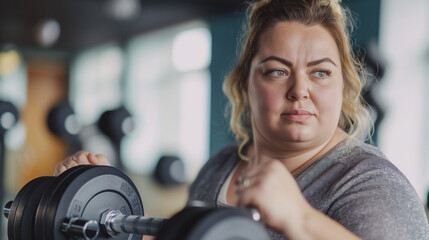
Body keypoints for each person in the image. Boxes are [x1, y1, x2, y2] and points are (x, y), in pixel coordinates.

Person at [55, 0, 429, 239]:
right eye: (277, 71)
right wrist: (106, 210)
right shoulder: (221, 166)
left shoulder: (372, 185)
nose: (300, 90)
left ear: (343, 86)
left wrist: (300, 219)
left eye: (320, 73)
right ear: (244, 84)